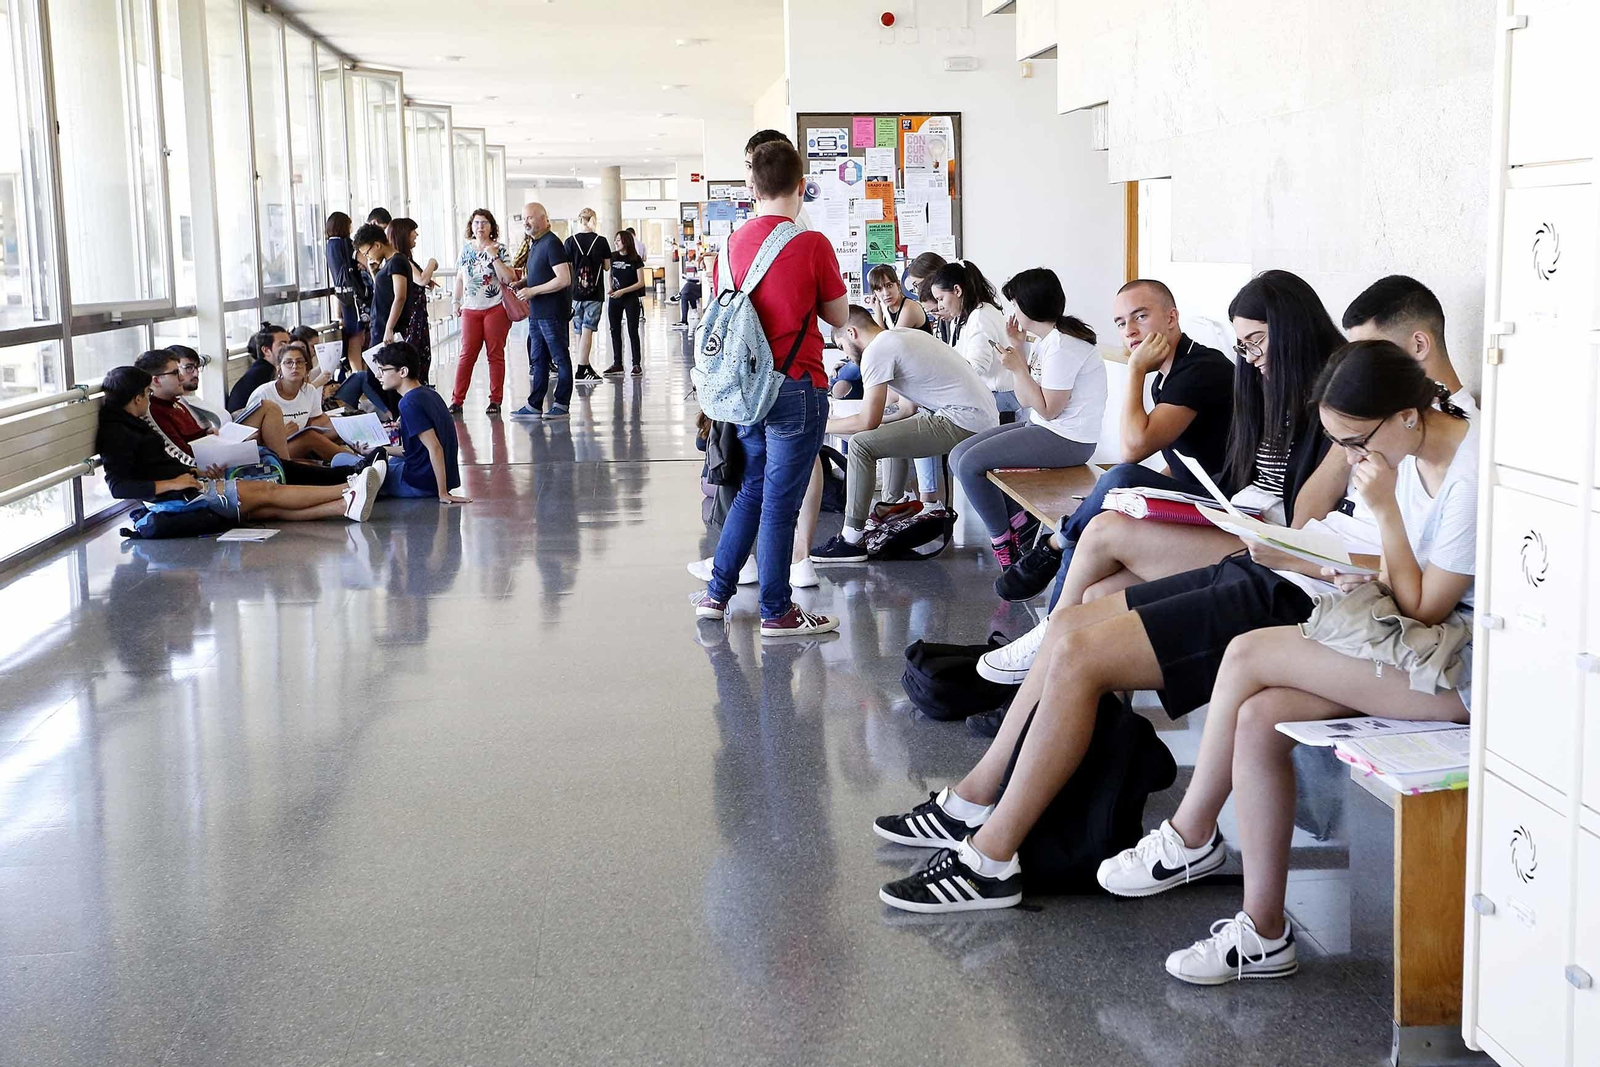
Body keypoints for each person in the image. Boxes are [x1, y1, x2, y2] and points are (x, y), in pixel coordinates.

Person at [1098, 339, 1476, 985]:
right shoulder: (1408, 458)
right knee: (1260, 714)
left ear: (1409, 414)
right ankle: (1264, 932)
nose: (1355, 459)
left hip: (1464, 670)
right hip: (1415, 646)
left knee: (1248, 651)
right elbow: (1398, 573)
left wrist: (1380, 509)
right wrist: (1315, 559)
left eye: (1358, 440)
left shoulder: (1467, 471)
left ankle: (1191, 833)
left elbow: (1429, 605)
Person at [979, 270, 1349, 690]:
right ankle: (1051, 692)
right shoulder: (1258, 384)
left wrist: (1134, 372)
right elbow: (1184, 461)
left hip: (1262, 537)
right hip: (1234, 512)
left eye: (1140, 317)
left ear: (1172, 318)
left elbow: (1134, 447)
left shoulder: (1209, 371)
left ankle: (1049, 615)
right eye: (1121, 324)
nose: (1131, 331)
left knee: (1112, 497)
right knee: (1098, 588)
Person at [688, 138, 847, 636]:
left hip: (744, 391)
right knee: (781, 501)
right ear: (801, 187)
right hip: (796, 387)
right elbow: (838, 317)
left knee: (752, 491)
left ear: (752, 188)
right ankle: (777, 610)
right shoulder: (812, 243)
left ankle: (717, 593)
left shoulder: (730, 245)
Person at [809, 307, 1000, 563]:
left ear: (851, 333)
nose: (846, 356)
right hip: (976, 417)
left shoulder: (876, 351)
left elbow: (867, 421)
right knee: (873, 440)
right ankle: (889, 505)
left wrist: (820, 426)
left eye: (843, 347)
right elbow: (905, 409)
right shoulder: (899, 337)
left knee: (860, 445)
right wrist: (869, 427)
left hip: (962, 420)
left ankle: (851, 540)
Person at [950, 268, 1106, 567]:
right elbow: (1027, 401)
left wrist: (1018, 367)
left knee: (971, 464)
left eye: (1015, 304)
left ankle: (1002, 542)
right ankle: (1020, 520)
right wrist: (1019, 350)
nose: (1012, 312)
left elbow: (1049, 409)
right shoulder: (1048, 341)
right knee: (958, 456)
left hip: (1067, 440)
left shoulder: (1064, 345)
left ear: (1029, 306)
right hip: (1045, 428)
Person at [97, 365, 379, 523]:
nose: (148, 398)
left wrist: (193, 474)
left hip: (189, 484)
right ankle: (347, 488)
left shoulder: (134, 423)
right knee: (267, 491)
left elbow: (159, 463)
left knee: (265, 508)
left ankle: (342, 505)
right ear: (136, 398)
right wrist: (172, 484)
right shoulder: (119, 432)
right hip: (177, 498)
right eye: (146, 393)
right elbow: (118, 486)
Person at [367, 342, 470, 504]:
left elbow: (434, 447)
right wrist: (378, 449)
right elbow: (414, 449)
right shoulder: (430, 394)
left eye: (383, 370)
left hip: (421, 484)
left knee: (343, 461)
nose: (378, 376)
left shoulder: (408, 403)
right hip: (434, 477)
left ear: (403, 371)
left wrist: (442, 493)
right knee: (389, 461)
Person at [244, 341, 360, 464]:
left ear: (306, 368)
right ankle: (358, 463)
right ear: (279, 369)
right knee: (309, 437)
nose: (295, 366)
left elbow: (317, 421)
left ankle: (361, 455)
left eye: (299, 362)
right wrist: (278, 434)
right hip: (267, 451)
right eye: (289, 362)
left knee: (339, 429)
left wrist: (345, 427)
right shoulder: (263, 393)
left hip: (296, 443)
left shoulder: (309, 390)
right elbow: (249, 438)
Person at [509, 202, 574, 420]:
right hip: (537, 313)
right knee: (537, 360)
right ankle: (534, 404)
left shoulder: (552, 243)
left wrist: (532, 291)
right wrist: (524, 283)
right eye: (524, 218)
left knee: (560, 358)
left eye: (530, 217)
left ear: (544, 218)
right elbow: (544, 274)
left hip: (552, 313)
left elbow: (564, 279)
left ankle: (562, 404)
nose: (526, 222)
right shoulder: (536, 244)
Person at [450, 208, 516, 416]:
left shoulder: (500, 249)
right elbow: (460, 277)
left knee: (495, 354)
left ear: (491, 227)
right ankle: (456, 400)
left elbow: (509, 278)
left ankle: (495, 400)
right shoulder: (465, 250)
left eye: (484, 223)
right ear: (471, 226)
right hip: (471, 309)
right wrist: (455, 301)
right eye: (476, 223)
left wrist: (494, 257)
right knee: (466, 355)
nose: (480, 227)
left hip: (495, 308)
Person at [926, 262, 1013, 410]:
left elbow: (977, 366)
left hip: (1000, 395)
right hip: (990, 393)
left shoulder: (980, 316)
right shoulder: (965, 316)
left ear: (957, 290)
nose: (940, 306)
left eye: (941, 299)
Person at [564, 208, 611, 382]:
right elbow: (606, 267)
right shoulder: (601, 241)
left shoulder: (570, 241)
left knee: (578, 330)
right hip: (594, 292)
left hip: (575, 293)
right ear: (594, 220)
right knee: (588, 329)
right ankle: (582, 368)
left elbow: (567, 269)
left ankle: (584, 364)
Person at [382, 218, 434, 372]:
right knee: (415, 360)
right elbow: (422, 279)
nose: (416, 235)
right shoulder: (401, 261)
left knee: (421, 358)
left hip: (418, 317)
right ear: (404, 234)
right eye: (413, 232)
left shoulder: (404, 260)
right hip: (412, 320)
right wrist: (432, 262)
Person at [326, 211, 371, 378]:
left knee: (352, 334)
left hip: (342, 296)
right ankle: (358, 374)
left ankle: (356, 372)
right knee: (357, 337)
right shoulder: (346, 244)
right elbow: (365, 260)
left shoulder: (330, 245)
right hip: (355, 296)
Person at [606, 229, 647, 377]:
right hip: (615, 298)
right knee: (614, 330)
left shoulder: (635, 259)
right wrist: (611, 287)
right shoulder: (613, 256)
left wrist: (623, 291)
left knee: (632, 330)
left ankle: (636, 363)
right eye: (615, 239)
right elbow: (610, 274)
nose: (616, 242)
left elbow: (641, 282)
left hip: (630, 298)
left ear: (626, 241)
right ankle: (617, 363)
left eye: (618, 240)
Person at [226, 323, 289, 414]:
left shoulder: (263, 368)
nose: (289, 348)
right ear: (266, 350)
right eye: (282, 344)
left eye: (289, 343)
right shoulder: (264, 372)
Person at [169, 346, 223, 429]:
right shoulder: (172, 408)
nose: (196, 374)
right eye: (189, 368)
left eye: (197, 367)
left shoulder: (194, 401)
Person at [868, 264, 931, 334]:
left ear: (898, 284)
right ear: (875, 294)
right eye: (879, 289)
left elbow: (886, 341)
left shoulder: (910, 307)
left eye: (889, 286)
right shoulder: (887, 310)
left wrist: (878, 313)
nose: (886, 293)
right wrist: (877, 310)